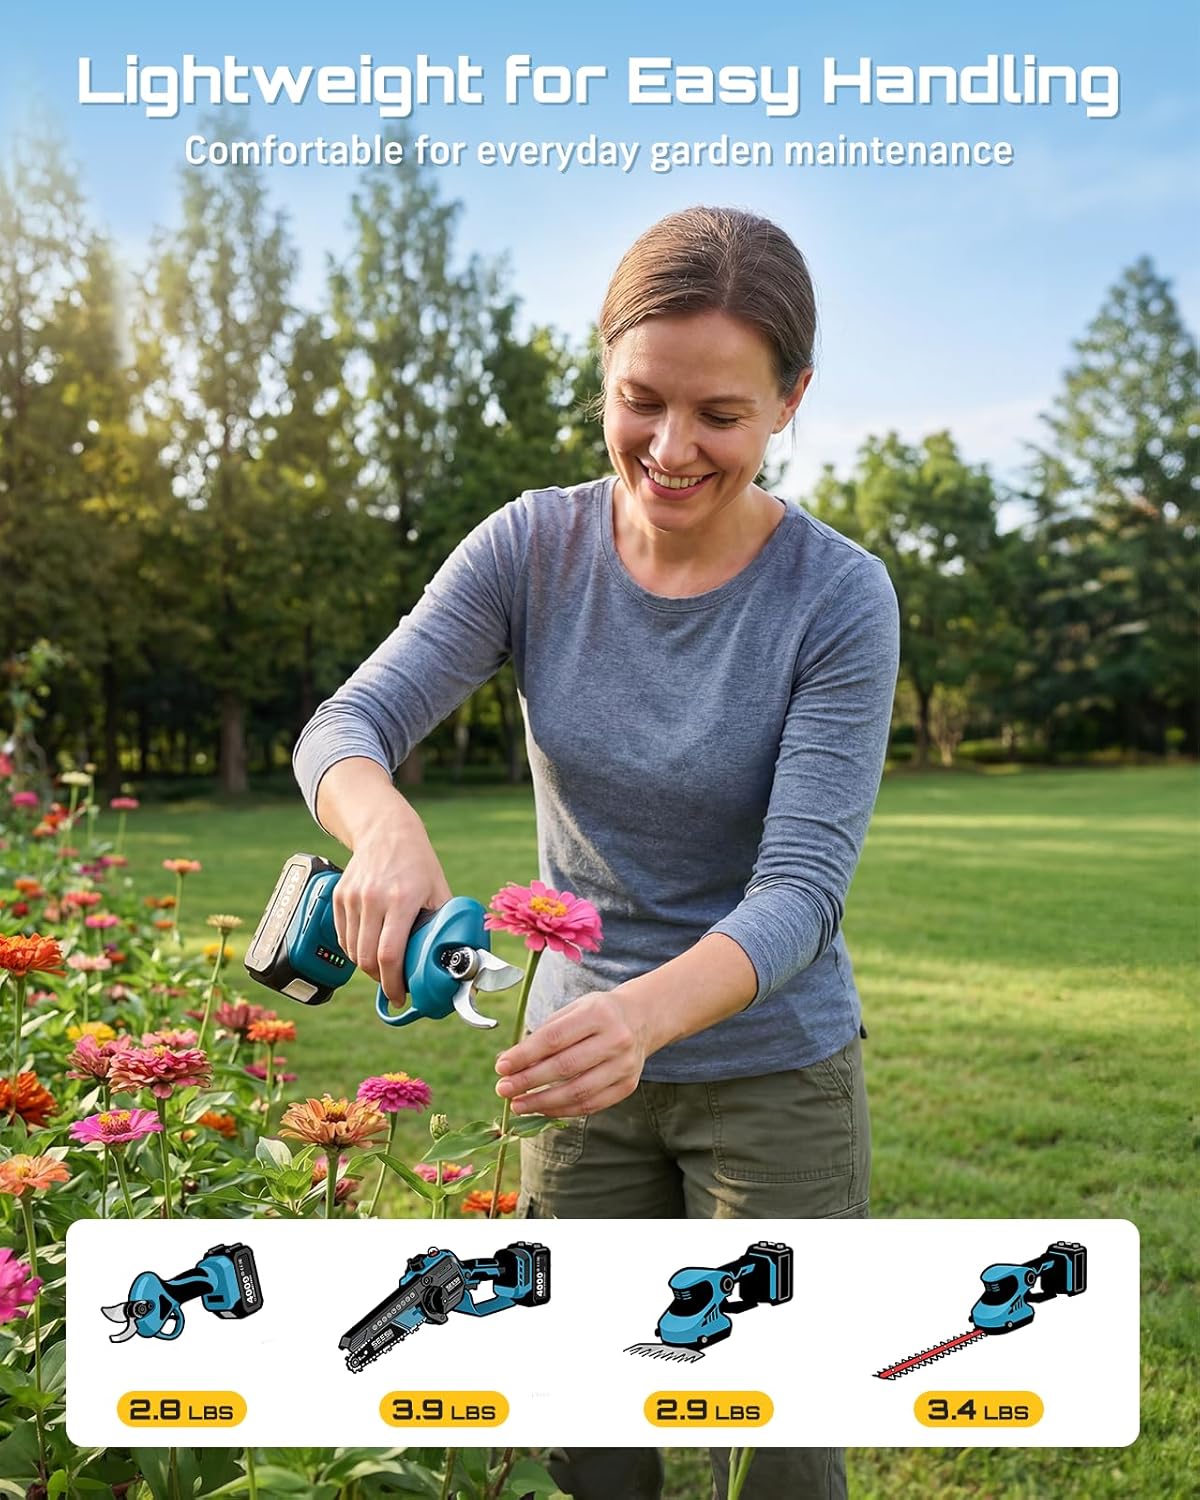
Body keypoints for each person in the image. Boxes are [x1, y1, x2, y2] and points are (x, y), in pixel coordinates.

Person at [292, 205, 900, 1500]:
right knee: (584, 1445)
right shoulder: (532, 546)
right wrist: (384, 824)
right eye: (642, 401)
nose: (671, 451)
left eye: (722, 417)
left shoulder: (838, 596)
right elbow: (346, 727)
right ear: (604, 372)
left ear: (792, 401)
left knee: (780, 1449)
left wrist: (642, 1019)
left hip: (771, 1078)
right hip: (577, 1080)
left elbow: (800, 890)